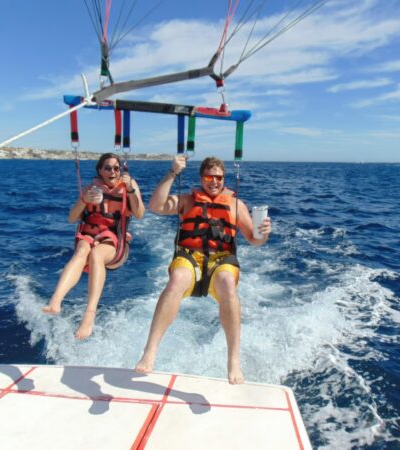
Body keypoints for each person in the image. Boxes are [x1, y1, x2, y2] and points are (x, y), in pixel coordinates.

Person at [135, 155, 272, 384]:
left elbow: (254, 240)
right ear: (201, 178)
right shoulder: (188, 201)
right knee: (177, 278)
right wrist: (172, 173)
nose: (215, 181)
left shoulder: (236, 205)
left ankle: (233, 361)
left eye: (219, 177)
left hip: (221, 259)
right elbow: (156, 206)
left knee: (228, 282)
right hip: (190, 256)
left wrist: (264, 232)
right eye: (210, 177)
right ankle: (150, 352)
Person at [43, 153, 145, 339]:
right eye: (107, 168)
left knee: (96, 254)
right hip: (89, 233)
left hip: (113, 239)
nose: (113, 171)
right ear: (100, 170)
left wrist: (130, 189)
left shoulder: (130, 185)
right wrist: (84, 200)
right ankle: (56, 301)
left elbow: (139, 213)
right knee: (82, 251)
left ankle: (89, 315)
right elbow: (71, 218)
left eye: (116, 168)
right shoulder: (92, 188)